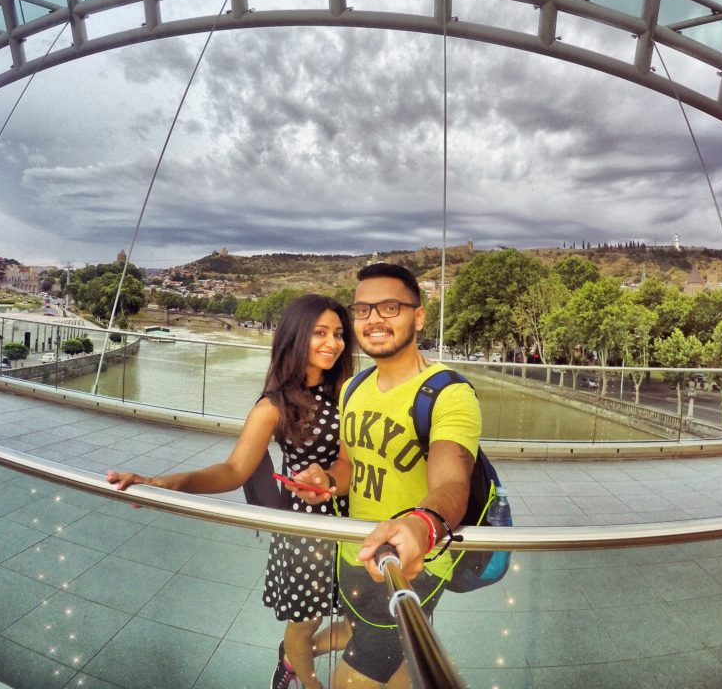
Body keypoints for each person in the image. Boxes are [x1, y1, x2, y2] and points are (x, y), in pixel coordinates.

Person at [105, 294, 354, 689]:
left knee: (365, 622)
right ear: (296, 337)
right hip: (306, 527)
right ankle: (306, 680)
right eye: (319, 333)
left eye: (338, 333)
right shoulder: (274, 405)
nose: (332, 343)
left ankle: (293, 655)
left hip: (357, 518)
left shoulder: (351, 390)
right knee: (306, 619)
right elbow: (235, 469)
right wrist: (167, 482)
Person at [293, 263, 482, 688]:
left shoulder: (448, 393)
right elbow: (349, 464)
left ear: (418, 316)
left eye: (390, 307)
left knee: (353, 679)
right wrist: (326, 480)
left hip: (414, 564)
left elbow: (452, 485)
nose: (374, 319)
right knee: (398, 669)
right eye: (362, 310)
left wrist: (421, 526)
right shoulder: (353, 387)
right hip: (354, 554)